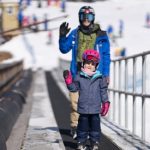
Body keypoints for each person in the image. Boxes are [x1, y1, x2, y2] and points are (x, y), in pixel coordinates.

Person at [59, 6, 110, 139]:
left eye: (89, 17)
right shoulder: (75, 33)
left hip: (95, 75)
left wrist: (106, 74)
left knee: (92, 103)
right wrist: (62, 36)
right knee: (75, 102)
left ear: (93, 18)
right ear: (79, 18)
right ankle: (75, 127)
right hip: (77, 73)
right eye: (83, 17)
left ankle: (91, 131)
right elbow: (64, 49)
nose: (86, 20)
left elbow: (106, 55)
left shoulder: (102, 35)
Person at [63, 49, 110, 150]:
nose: (89, 65)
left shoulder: (100, 78)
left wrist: (105, 102)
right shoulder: (79, 76)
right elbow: (73, 88)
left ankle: (95, 142)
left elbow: (103, 91)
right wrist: (68, 81)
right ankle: (81, 142)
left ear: (96, 66)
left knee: (95, 127)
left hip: (95, 108)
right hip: (83, 108)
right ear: (83, 63)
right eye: (88, 63)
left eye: (92, 64)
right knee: (82, 126)